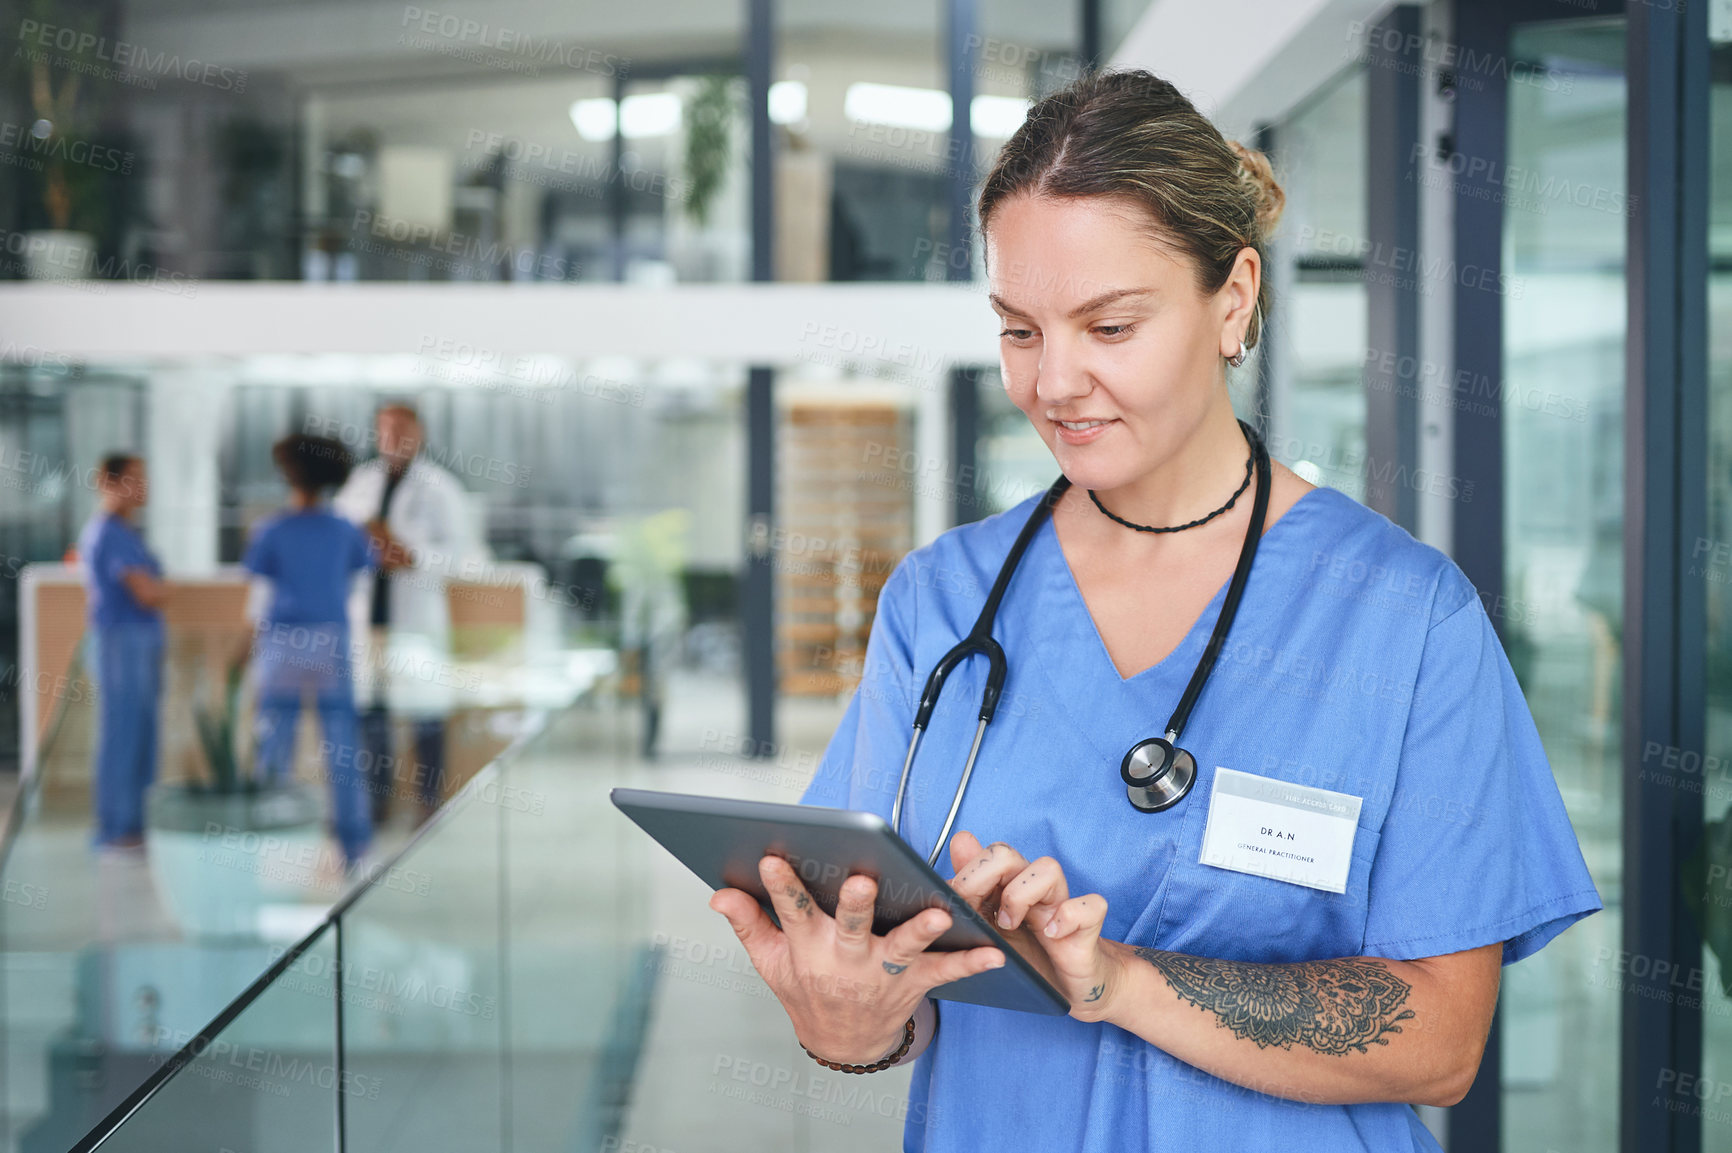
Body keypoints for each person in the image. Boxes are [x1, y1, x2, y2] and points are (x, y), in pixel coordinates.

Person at [709, 69, 1602, 1152]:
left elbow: (1440, 1039)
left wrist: (1117, 979)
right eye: (1020, 331)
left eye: (1109, 325)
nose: (1055, 382)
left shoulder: (1405, 619)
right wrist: (850, 1025)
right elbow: (891, 989)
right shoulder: (940, 605)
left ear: (1232, 298)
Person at [333, 403, 481, 826]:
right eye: (384, 428)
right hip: (370, 619)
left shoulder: (440, 488)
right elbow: (340, 537)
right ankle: (377, 804)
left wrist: (410, 556)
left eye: (401, 428)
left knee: (425, 712)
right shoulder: (360, 483)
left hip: (416, 619)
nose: (392, 437)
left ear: (419, 432)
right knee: (372, 714)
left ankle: (428, 802)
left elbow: (462, 556)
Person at [243, 434, 376, 870]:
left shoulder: (272, 530)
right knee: (341, 746)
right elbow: (357, 582)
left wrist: (243, 651)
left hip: (282, 643)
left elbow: (258, 599)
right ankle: (353, 847)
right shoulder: (346, 530)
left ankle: (264, 839)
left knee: (274, 746)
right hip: (330, 642)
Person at [77, 454, 167, 853]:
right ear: (107, 481)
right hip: (120, 643)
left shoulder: (127, 532)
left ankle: (135, 825)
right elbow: (147, 592)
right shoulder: (108, 533)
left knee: (142, 733)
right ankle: (115, 828)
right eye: (133, 478)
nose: (143, 486)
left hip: (138, 643)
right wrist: (165, 590)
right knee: (122, 735)